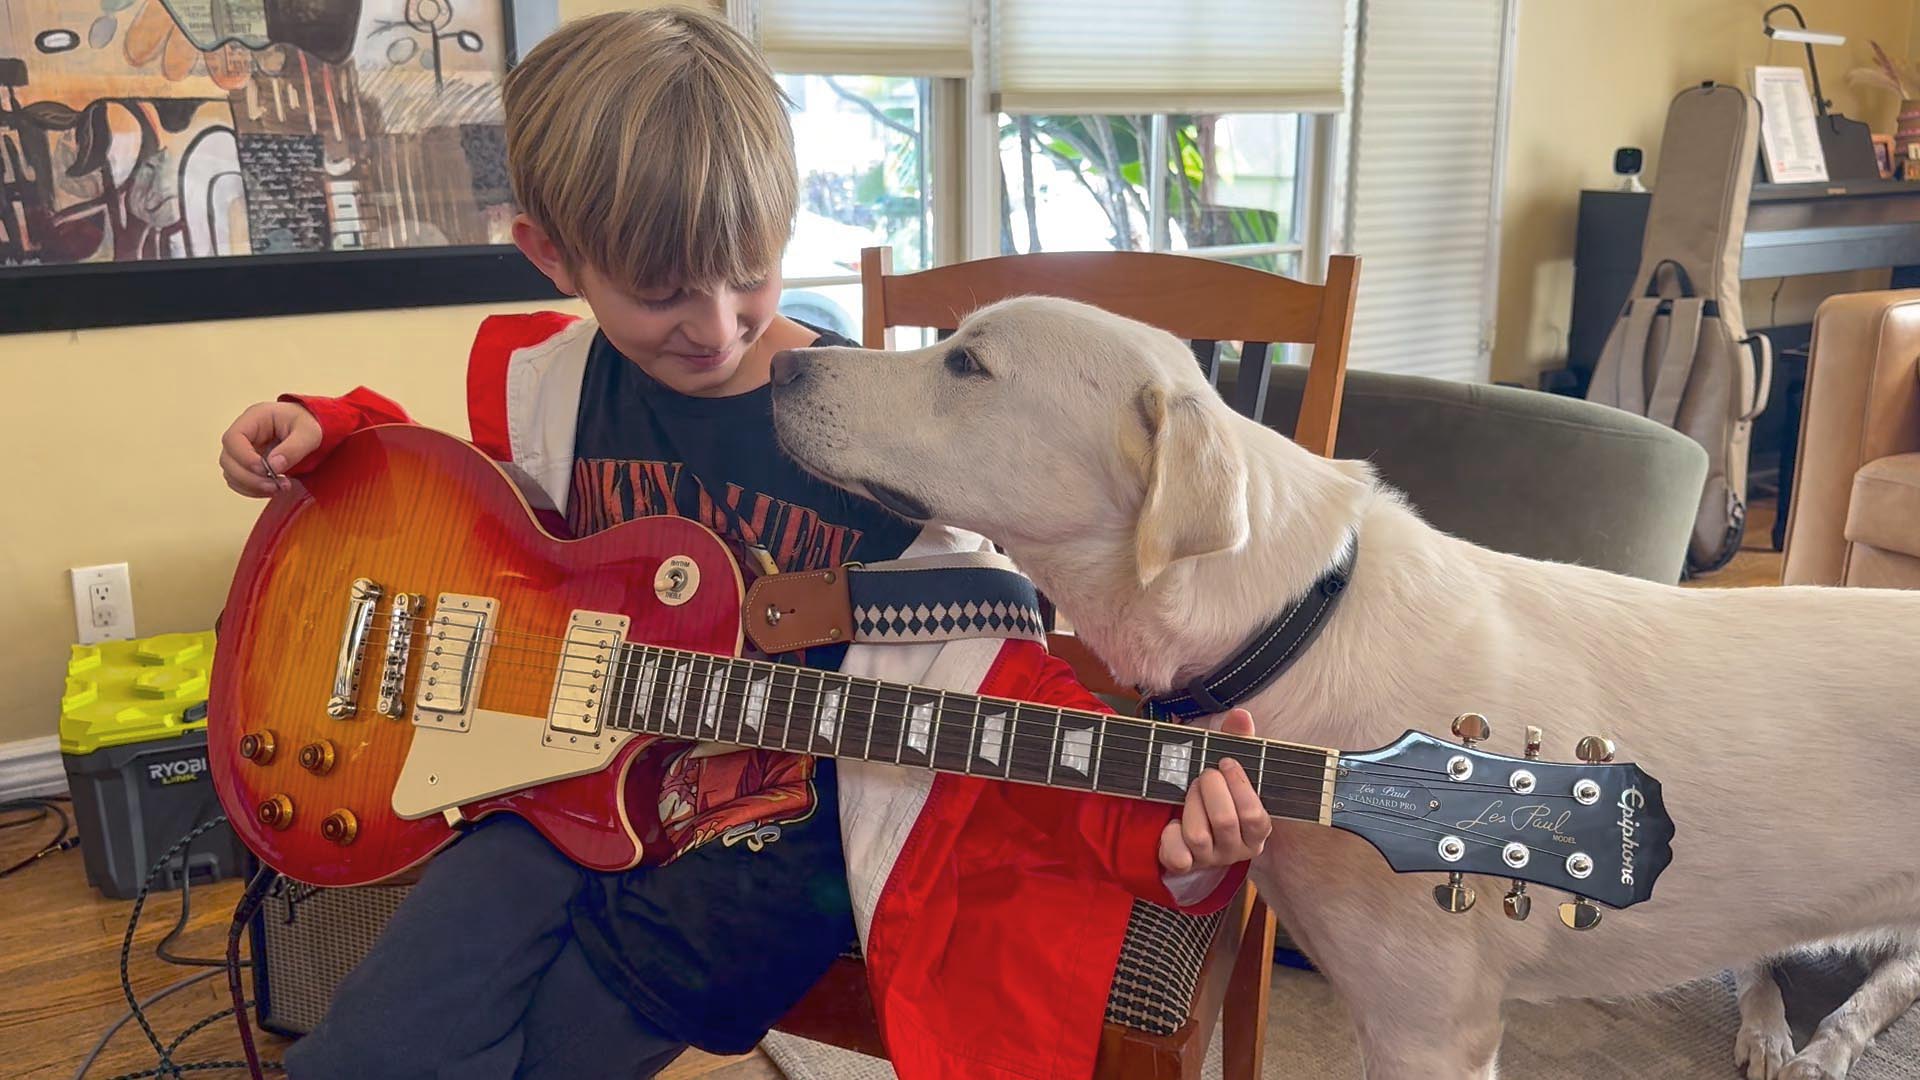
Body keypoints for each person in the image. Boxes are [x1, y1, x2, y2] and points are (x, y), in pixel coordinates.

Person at [216, 8, 1270, 1079]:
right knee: (375, 1042)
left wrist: (1167, 835)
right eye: (662, 292)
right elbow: (456, 519)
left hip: (762, 849)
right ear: (552, 256)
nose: (716, 328)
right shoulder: (554, 386)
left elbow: (1000, 682)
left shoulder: (883, 436)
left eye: (749, 273)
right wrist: (332, 435)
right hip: (546, 789)